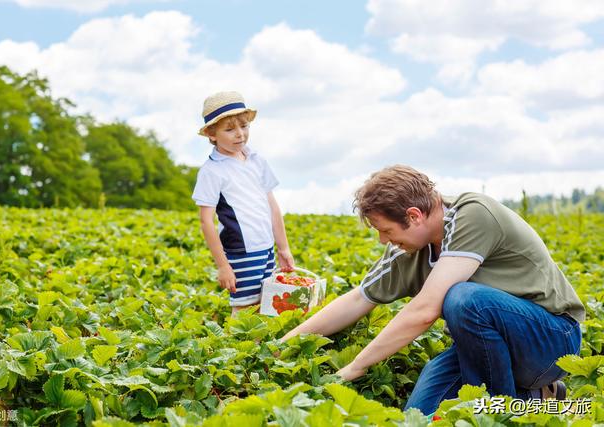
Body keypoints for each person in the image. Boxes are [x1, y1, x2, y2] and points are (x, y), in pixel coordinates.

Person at [282, 165, 583, 415]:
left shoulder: (472, 215)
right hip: (481, 350)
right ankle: (537, 399)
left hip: (553, 340)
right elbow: (360, 298)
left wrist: (354, 368)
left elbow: (425, 310)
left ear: (414, 216)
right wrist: (283, 345)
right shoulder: (408, 250)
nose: (383, 241)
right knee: (418, 415)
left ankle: (499, 412)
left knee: (463, 298)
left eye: (386, 230)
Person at [192, 91, 295, 315]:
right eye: (229, 129)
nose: (240, 134)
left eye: (244, 126)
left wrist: (283, 247)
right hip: (240, 250)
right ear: (211, 134)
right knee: (244, 309)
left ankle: (266, 350)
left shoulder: (257, 159)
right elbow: (206, 221)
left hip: (266, 247)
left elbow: (272, 206)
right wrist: (223, 266)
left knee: (268, 305)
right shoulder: (212, 171)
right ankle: (241, 348)